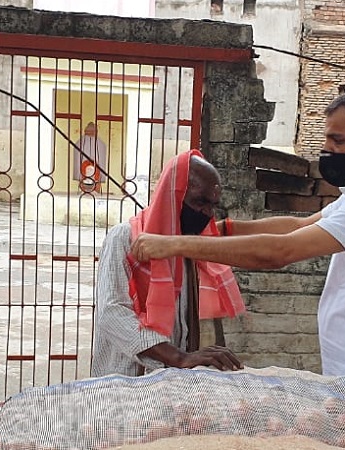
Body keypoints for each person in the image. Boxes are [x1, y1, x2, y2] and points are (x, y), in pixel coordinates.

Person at [130, 88, 345, 450]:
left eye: (338, 140)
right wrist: (223, 228)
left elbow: (280, 251)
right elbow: (296, 225)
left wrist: (174, 245)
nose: (328, 151)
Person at [91, 149, 246, 378]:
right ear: (173, 196)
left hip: (169, 382)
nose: (207, 213)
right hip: (123, 380)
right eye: (200, 203)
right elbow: (112, 313)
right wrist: (178, 357)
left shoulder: (186, 246)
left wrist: (187, 358)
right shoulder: (124, 238)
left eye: (212, 205)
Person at [73, 122, 107, 190]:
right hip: (84, 172)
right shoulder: (80, 143)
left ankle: (95, 189)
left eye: (93, 130)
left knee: (96, 178)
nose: (91, 132)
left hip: (95, 173)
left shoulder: (101, 144)